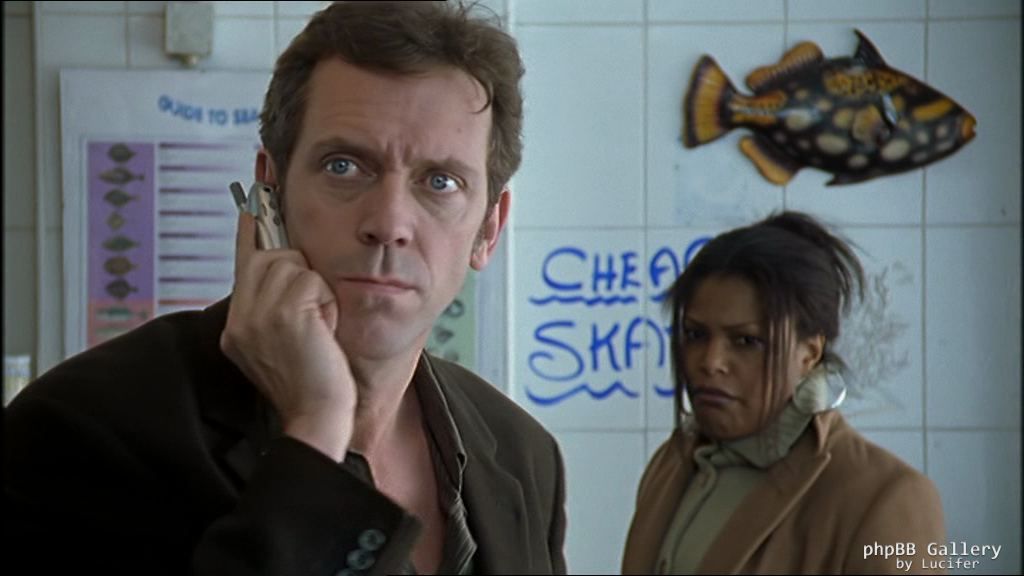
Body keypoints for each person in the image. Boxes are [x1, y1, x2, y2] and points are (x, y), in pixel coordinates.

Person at [4, 2, 567, 575]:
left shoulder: (523, 454)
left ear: (488, 230)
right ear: (269, 190)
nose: (389, 222)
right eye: (345, 166)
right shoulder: (81, 428)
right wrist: (318, 427)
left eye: (440, 182)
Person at [621, 211, 945, 574]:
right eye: (696, 335)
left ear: (810, 353)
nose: (710, 362)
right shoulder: (673, 463)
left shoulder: (885, 496)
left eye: (746, 341)